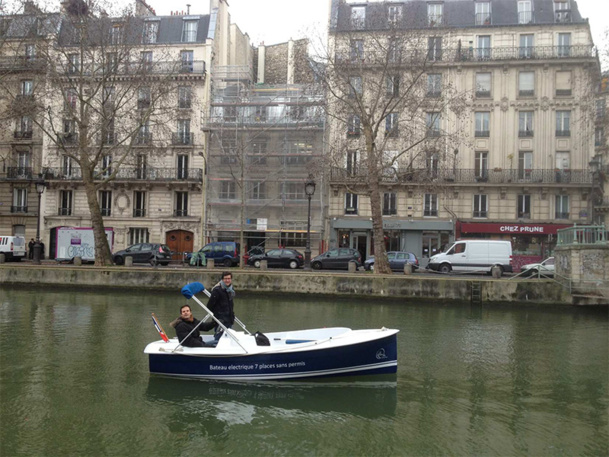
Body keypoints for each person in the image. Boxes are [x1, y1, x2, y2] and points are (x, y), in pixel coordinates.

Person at [204, 271, 236, 341]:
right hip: (220, 320)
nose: (227, 280)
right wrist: (216, 316)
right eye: (225, 279)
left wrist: (232, 316)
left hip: (229, 318)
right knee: (218, 338)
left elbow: (231, 304)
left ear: (231, 279)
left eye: (229, 278)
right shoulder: (217, 290)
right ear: (222, 279)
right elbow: (209, 306)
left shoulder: (231, 290)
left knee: (228, 338)